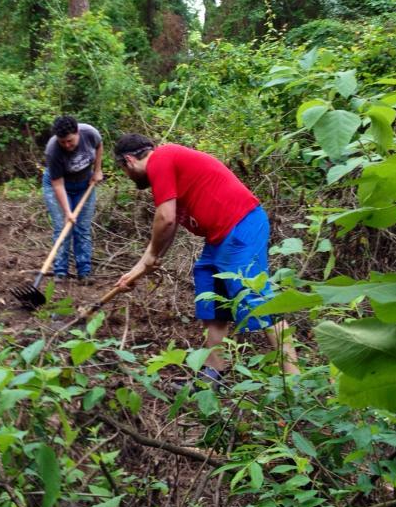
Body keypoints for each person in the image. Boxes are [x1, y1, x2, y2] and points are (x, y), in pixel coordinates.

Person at [113, 134, 298, 383]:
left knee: (257, 300)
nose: (128, 176)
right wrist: (137, 270)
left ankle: (295, 381)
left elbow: (165, 218)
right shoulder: (169, 168)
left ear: (128, 161)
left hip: (241, 225)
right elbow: (169, 228)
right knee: (211, 299)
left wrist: (149, 260)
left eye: (123, 170)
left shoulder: (161, 159)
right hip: (218, 238)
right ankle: (213, 373)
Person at [43, 115, 103, 283]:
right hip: (59, 186)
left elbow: (99, 146)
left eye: (70, 141)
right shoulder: (52, 150)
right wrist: (68, 212)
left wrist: (97, 170)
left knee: (82, 228)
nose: (67, 145)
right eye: (63, 142)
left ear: (77, 132)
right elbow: (58, 185)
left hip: (85, 184)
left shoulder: (90, 133)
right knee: (63, 227)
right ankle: (60, 272)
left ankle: (84, 272)